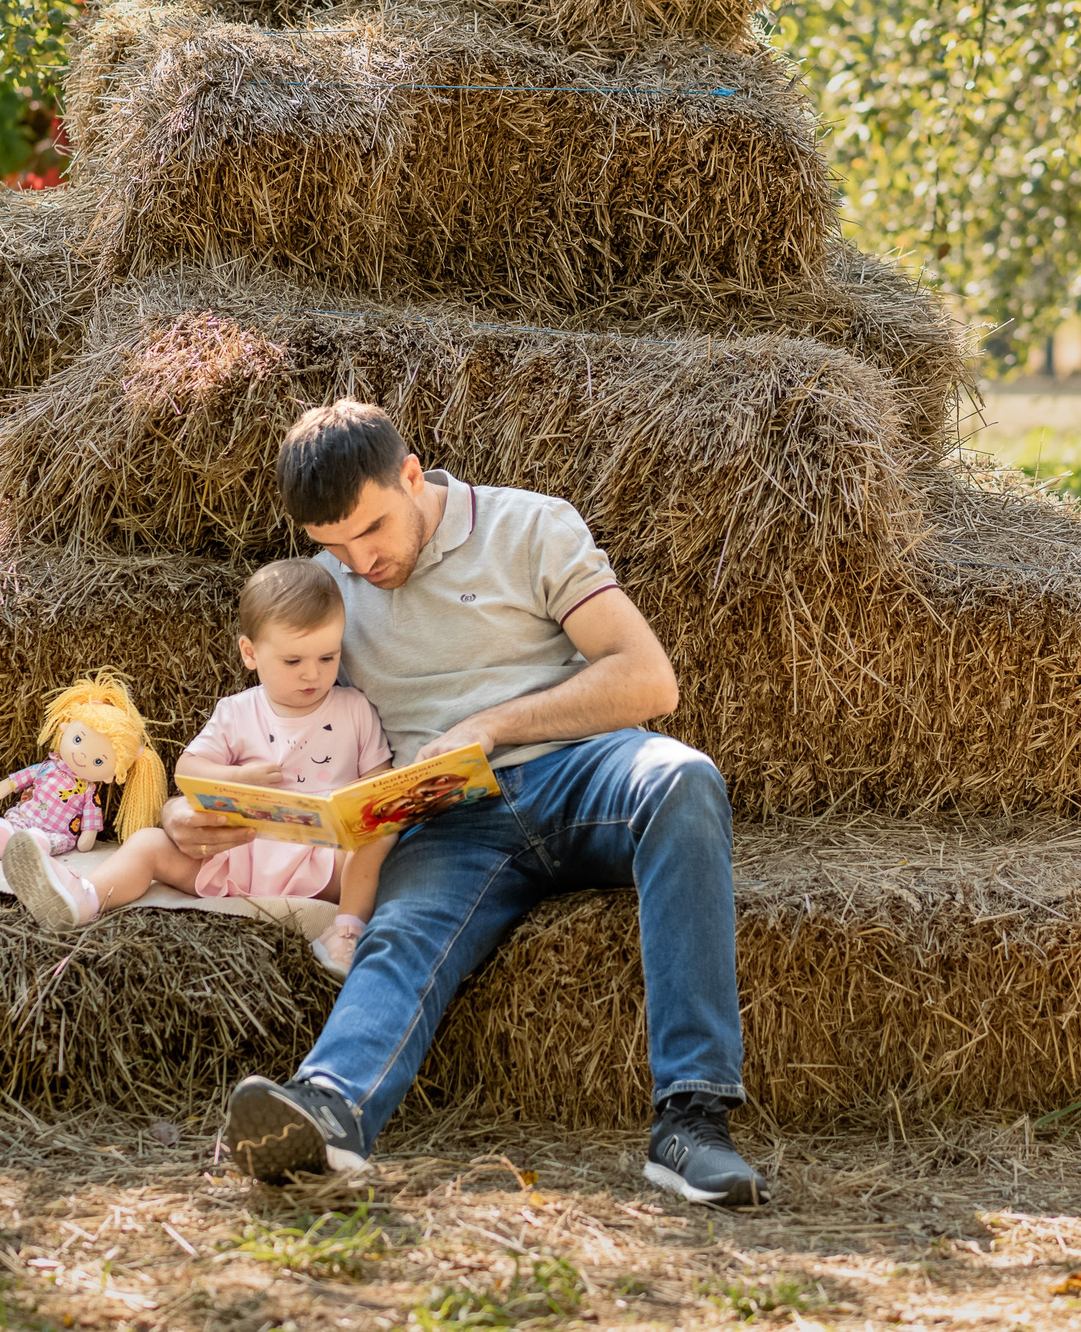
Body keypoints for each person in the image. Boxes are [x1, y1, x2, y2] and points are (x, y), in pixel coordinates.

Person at [181, 400, 768, 1206]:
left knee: (683, 777)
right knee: (400, 928)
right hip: (447, 817)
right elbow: (273, 718)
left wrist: (493, 725)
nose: (361, 560)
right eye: (335, 544)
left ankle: (691, 1121)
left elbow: (648, 679)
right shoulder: (326, 589)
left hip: (582, 771)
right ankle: (329, 1110)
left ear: (411, 475)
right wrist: (193, 812)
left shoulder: (530, 526)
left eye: (373, 529)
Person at [3, 559, 394, 974]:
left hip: (323, 864)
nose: (312, 674)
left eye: (328, 657)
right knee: (149, 844)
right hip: (235, 854)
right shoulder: (237, 712)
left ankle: (346, 931)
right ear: (251, 653)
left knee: (378, 838)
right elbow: (188, 770)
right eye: (293, 661)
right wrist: (237, 777)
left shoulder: (354, 708)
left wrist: (357, 803)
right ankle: (84, 896)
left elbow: (380, 779)